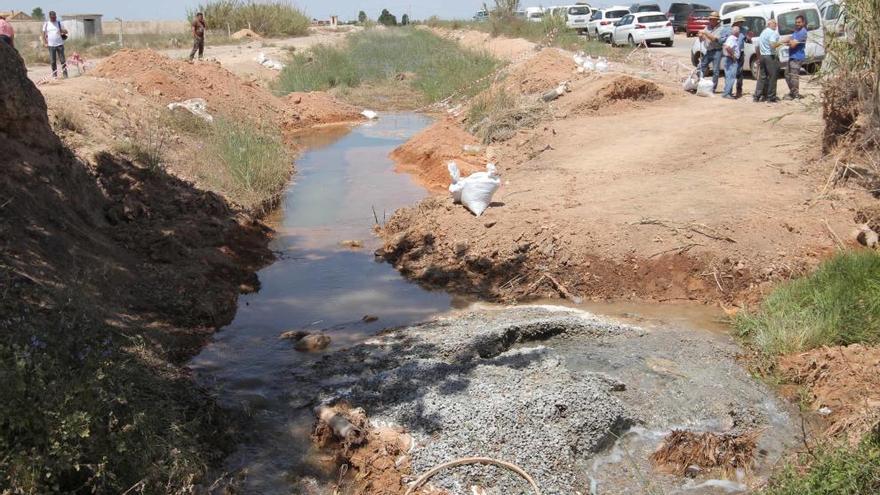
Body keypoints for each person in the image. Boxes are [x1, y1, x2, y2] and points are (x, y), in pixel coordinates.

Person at [697, 12, 725, 93]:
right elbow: (702, 39)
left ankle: (713, 88)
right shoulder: (707, 27)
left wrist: (705, 33)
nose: (710, 20)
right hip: (708, 50)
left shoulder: (721, 29)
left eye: (712, 19)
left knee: (715, 70)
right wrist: (700, 37)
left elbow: (714, 39)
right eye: (710, 19)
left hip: (717, 51)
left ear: (717, 20)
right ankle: (700, 84)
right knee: (701, 66)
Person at [754, 19, 781, 103]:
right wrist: (783, 41)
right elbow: (773, 45)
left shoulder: (762, 33)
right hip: (770, 56)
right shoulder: (772, 33)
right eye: (774, 23)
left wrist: (759, 57)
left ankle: (757, 96)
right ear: (769, 24)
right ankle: (771, 97)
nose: (776, 25)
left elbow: (757, 47)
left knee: (762, 77)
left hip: (762, 56)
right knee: (773, 77)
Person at [784, 15, 808, 99]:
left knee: (794, 76)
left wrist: (788, 42)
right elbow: (790, 39)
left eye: (799, 22)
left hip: (797, 57)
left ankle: (796, 95)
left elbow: (793, 44)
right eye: (796, 22)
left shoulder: (803, 32)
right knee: (787, 74)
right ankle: (793, 92)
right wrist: (786, 41)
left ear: (803, 22)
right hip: (792, 56)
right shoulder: (796, 31)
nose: (797, 24)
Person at [41, 11, 68, 78]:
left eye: (54, 17)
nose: (54, 18)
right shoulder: (46, 24)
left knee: (62, 60)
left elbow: (66, 31)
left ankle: (65, 75)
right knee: (53, 61)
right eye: (52, 17)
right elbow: (43, 34)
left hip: (60, 44)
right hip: (51, 45)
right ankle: (54, 75)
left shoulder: (59, 23)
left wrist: (62, 31)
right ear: (50, 17)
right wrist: (45, 43)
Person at [721, 25, 741, 99]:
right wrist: (733, 56)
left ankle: (727, 92)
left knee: (729, 76)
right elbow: (727, 47)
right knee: (731, 77)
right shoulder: (732, 38)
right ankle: (727, 93)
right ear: (737, 32)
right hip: (731, 60)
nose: (739, 33)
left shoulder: (731, 38)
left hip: (729, 59)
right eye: (739, 31)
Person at [731, 17, 749, 98]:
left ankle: (739, 90)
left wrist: (749, 39)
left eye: (741, 22)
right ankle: (729, 90)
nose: (741, 23)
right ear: (735, 22)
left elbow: (746, 40)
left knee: (739, 72)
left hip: (741, 52)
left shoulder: (744, 30)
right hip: (732, 52)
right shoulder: (731, 30)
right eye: (739, 22)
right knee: (731, 71)